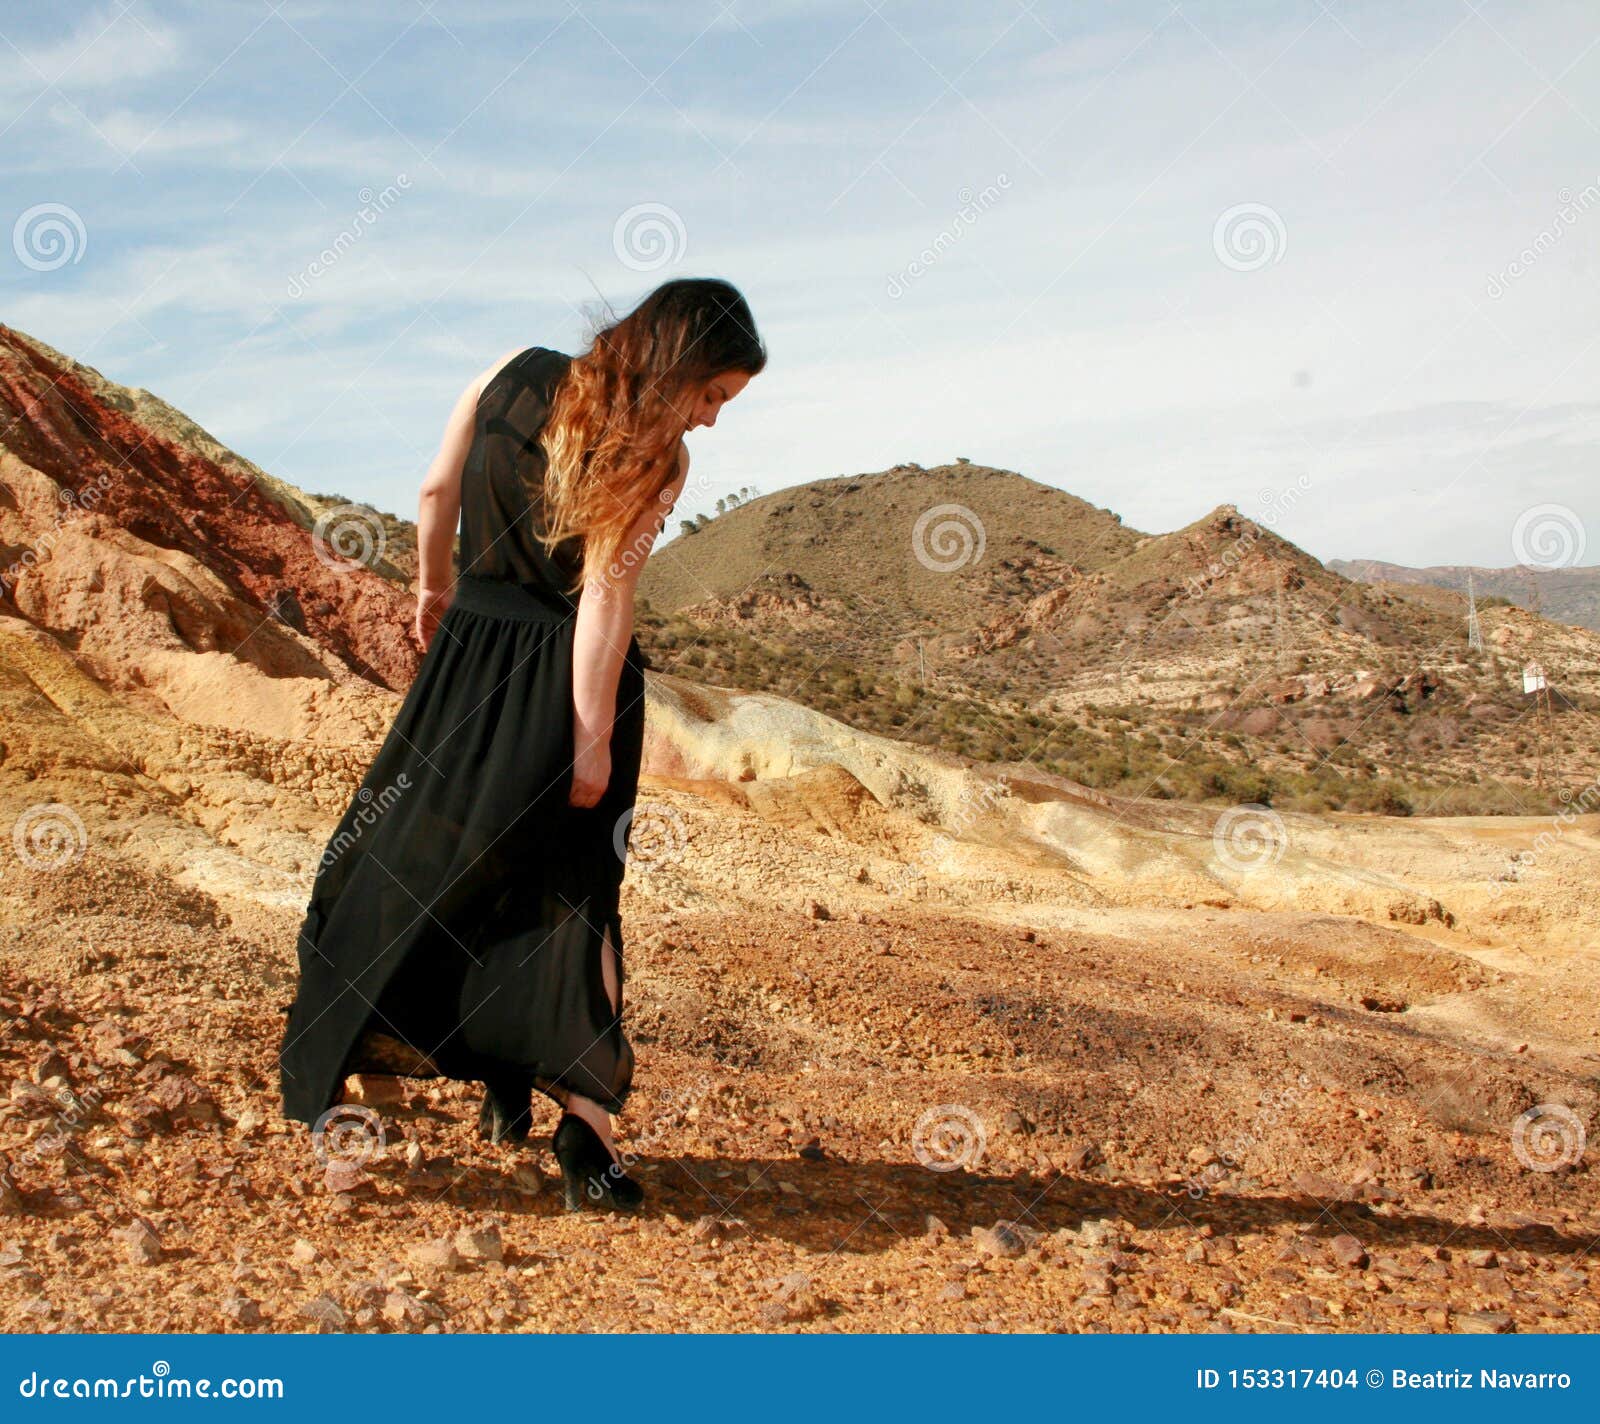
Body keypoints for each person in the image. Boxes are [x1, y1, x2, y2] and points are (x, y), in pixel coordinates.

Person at [277, 277, 765, 1211]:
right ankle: (586, 1131)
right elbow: (602, 605)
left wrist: (433, 592)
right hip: (567, 680)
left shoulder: (507, 372)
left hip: (466, 661)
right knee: (573, 890)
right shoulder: (653, 457)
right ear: (676, 367)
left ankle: (399, 1063)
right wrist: (589, 742)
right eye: (711, 394)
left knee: (403, 858)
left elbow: (434, 491)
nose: (708, 421)